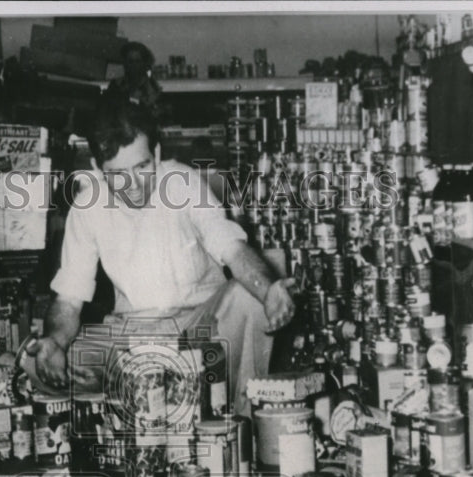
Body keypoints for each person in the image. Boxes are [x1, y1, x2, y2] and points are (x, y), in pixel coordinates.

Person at [25, 101, 296, 416]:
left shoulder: (182, 182)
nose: (135, 185)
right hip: (131, 335)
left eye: (142, 168)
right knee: (35, 363)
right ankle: (158, 384)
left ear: (156, 154)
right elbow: (69, 302)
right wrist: (56, 342)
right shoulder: (86, 207)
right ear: (98, 171)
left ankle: (231, 418)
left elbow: (232, 248)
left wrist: (268, 289)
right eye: (118, 175)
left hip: (198, 331)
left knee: (247, 298)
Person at [103, 42, 162, 118]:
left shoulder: (150, 86)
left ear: (144, 63)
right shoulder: (117, 83)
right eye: (130, 61)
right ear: (125, 63)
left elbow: (150, 112)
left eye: (137, 61)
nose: (134, 65)